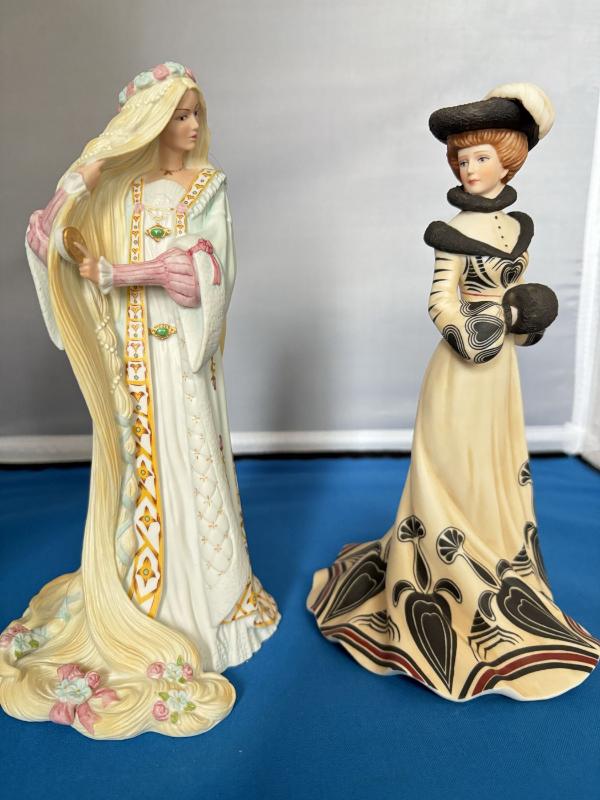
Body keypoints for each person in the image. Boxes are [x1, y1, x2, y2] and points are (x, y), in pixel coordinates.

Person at [0, 62, 279, 739]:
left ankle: (208, 605)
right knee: (138, 462)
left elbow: (201, 276)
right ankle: (144, 594)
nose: (192, 126)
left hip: (180, 358)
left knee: (190, 460)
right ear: (151, 122)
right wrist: (77, 191)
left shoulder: (207, 188)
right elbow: (63, 244)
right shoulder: (123, 191)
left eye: (195, 113)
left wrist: (125, 271)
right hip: (135, 360)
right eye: (179, 114)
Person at [307, 83, 599, 701]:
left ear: (508, 161)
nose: (469, 168)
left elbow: (517, 297)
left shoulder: (517, 227)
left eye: (481, 158)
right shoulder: (453, 232)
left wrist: (527, 322)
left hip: (501, 373)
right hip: (462, 368)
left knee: (495, 464)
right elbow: (440, 302)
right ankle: (447, 580)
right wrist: (481, 328)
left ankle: (499, 558)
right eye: (462, 159)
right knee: (452, 468)